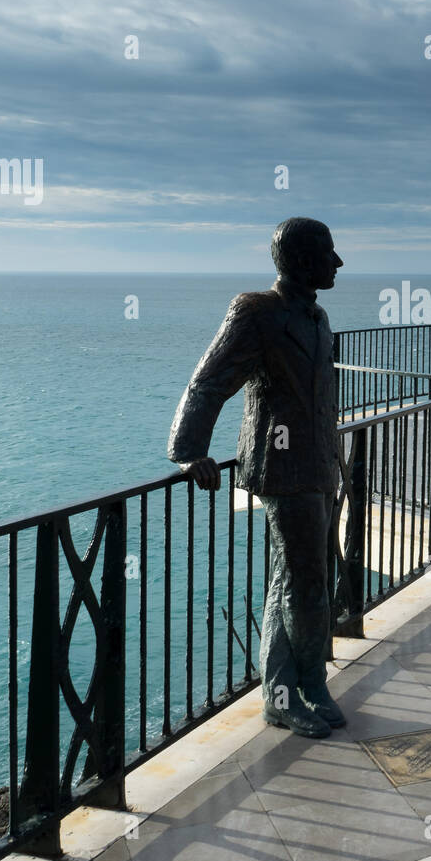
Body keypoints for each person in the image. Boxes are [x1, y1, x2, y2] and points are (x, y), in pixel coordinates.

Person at [167, 217, 344, 739]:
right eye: (328, 253)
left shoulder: (318, 317)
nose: (337, 263)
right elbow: (208, 381)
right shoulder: (256, 312)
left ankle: (288, 690)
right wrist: (189, 450)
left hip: (317, 464)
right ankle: (304, 688)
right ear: (301, 259)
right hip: (280, 467)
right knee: (306, 584)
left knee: (292, 580)